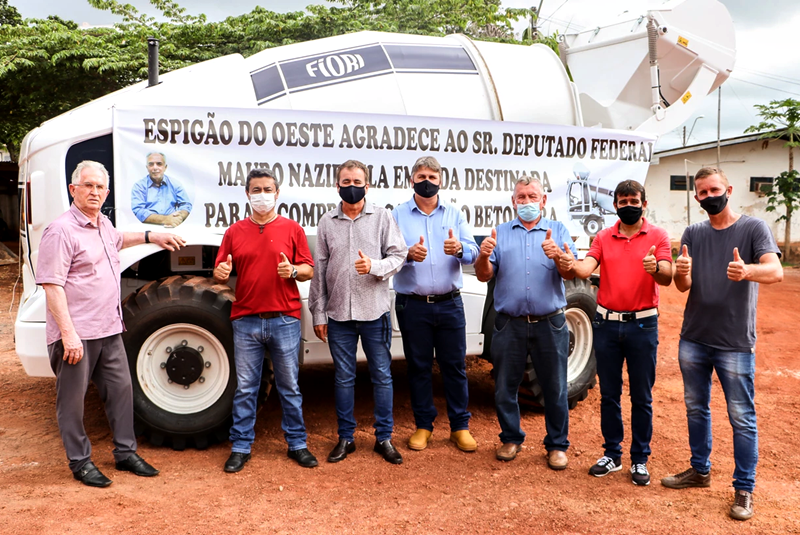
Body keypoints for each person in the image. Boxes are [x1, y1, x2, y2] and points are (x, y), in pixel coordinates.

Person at [36, 160, 185, 487]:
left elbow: (118, 238)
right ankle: (80, 462)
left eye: (100, 187)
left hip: (109, 329)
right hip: (76, 335)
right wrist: (68, 335)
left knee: (121, 391)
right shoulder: (60, 230)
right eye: (88, 185)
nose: (95, 192)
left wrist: (151, 235)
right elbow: (51, 286)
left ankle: (125, 452)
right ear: (73, 189)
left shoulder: (102, 223)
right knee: (71, 402)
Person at [661, 167, 783, 520]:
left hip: (734, 341)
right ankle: (700, 470)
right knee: (696, 409)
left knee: (741, 417)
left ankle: (744, 489)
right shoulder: (693, 233)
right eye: (702, 192)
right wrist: (682, 272)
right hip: (694, 337)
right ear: (696, 197)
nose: (709, 196)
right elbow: (683, 287)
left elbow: (774, 271)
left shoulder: (753, 228)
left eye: (715, 189)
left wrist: (747, 271)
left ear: (728, 189)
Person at [213, 168, 317, 472]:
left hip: (284, 319)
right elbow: (221, 270)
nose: (262, 195)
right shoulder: (234, 232)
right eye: (256, 190)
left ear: (278, 193)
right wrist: (220, 274)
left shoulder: (292, 229)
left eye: (267, 189)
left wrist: (294, 272)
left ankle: (297, 444)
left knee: (289, 386)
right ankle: (241, 446)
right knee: (246, 388)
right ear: (247, 194)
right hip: (245, 320)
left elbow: (309, 269)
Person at [570, 180, 672, 486]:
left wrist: (656, 267)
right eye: (623, 200)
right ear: (615, 205)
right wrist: (568, 263)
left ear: (644, 203)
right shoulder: (603, 236)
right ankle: (612, 454)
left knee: (642, 396)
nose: (629, 205)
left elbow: (667, 276)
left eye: (634, 200)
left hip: (643, 325)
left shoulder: (658, 236)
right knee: (609, 395)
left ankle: (639, 459)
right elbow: (587, 268)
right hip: (606, 324)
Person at [309, 159, 408, 464]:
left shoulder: (382, 217)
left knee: (381, 376)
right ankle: (346, 438)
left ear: (368, 186)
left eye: (357, 182)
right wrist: (319, 313)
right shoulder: (327, 222)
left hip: (374, 312)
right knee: (343, 378)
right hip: (339, 315)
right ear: (337, 185)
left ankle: (384, 438)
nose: (351, 187)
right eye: (345, 182)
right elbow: (320, 270)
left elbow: (399, 254)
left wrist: (374, 267)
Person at [475, 175, 576, 469]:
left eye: (533, 197)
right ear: (513, 202)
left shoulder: (558, 231)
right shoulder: (501, 234)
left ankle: (557, 445)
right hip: (510, 323)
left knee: (554, 387)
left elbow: (570, 273)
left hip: (550, 323)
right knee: (505, 385)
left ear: (543, 201)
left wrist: (559, 256)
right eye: (522, 197)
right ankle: (510, 437)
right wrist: (483, 256)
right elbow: (484, 275)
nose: (527, 202)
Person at [392, 156, 480, 453]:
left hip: (449, 304)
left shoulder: (454, 213)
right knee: (418, 367)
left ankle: (460, 427)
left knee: (455, 366)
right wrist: (406, 254)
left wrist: (460, 250)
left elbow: (473, 251)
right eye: (421, 176)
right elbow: (386, 255)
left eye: (432, 176)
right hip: (413, 305)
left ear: (441, 181)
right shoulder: (398, 215)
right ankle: (423, 426)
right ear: (411, 180)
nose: (426, 181)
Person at [131, 152, 192, 226]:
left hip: (172, 227)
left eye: (159, 164)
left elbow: (186, 205)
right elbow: (138, 211)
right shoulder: (139, 186)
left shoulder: (175, 184)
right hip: (148, 229)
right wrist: (165, 219)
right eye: (151, 164)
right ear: (147, 168)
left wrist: (179, 216)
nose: (155, 168)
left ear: (165, 167)